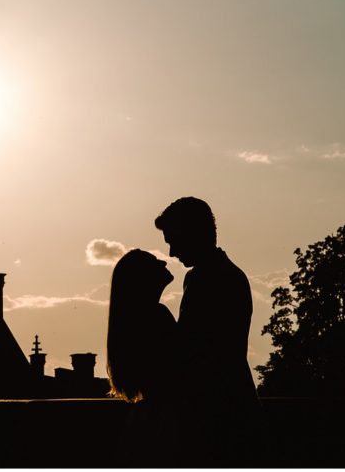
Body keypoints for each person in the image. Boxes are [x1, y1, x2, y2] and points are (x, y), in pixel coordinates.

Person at [154, 196, 260, 464]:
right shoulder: (216, 275)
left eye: (173, 241)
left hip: (219, 412)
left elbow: (195, 350)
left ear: (192, 233)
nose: (171, 253)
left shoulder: (213, 278)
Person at [106, 248, 183, 466]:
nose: (163, 263)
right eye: (154, 262)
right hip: (167, 421)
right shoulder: (156, 316)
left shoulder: (134, 322)